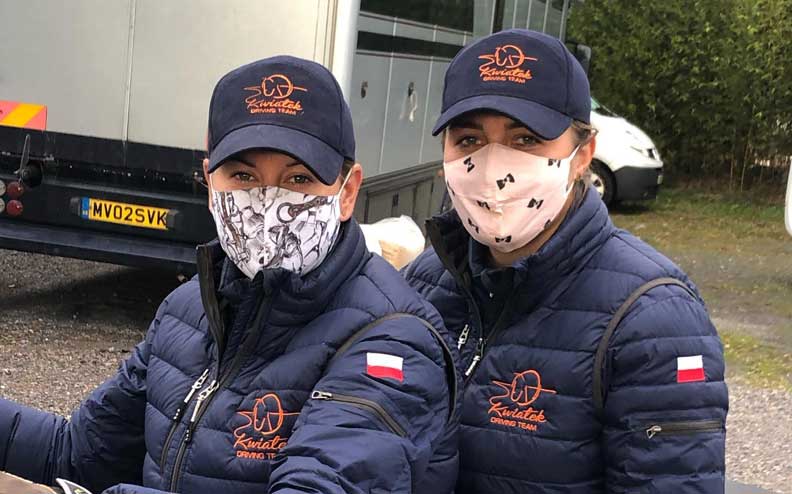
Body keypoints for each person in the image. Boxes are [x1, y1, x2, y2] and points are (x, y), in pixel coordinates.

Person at [0, 56, 459, 494]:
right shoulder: (188, 311)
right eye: (243, 176)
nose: (268, 202)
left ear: (347, 191)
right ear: (209, 185)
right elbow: (79, 454)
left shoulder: (394, 342)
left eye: (298, 179)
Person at [403, 29, 728, 492]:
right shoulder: (423, 284)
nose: (494, 165)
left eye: (526, 139)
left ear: (582, 156)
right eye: (470, 140)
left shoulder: (651, 319)